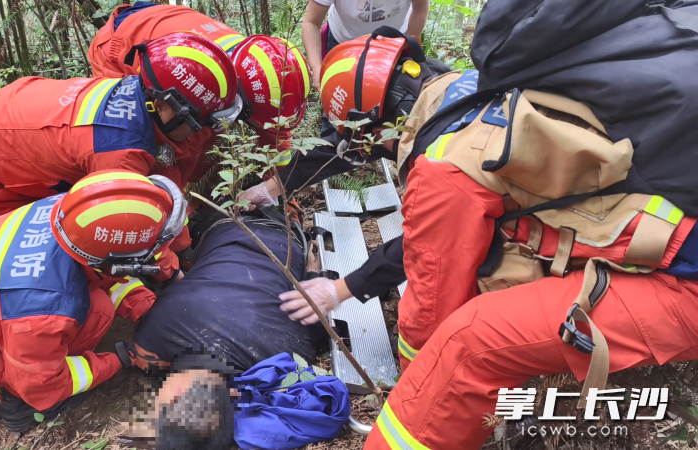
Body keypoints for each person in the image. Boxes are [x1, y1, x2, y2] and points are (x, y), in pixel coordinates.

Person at [297, 19, 698, 450]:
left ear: (374, 128)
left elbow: (430, 305)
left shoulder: (444, 163)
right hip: (668, 234)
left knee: (469, 343)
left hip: (680, 281)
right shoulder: (484, 94)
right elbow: (428, 241)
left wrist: (416, 380)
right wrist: (345, 288)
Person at [0, 170, 186, 432]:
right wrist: (120, 359)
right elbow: (42, 382)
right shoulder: (42, 312)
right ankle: (15, 404)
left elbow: (102, 272)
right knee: (96, 314)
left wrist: (145, 309)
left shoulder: (71, 212)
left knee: (90, 302)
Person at [0, 32, 240, 239]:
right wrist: (170, 270)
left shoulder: (141, 99)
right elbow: (123, 227)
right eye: (197, 123)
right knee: (22, 247)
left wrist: (182, 236)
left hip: (14, 117)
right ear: (164, 105)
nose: (199, 133)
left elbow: (169, 171)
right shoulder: (120, 152)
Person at [116, 203, 331, 448]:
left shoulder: (288, 357)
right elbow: (145, 357)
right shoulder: (155, 332)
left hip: (279, 235)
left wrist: (313, 272)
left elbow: (318, 313)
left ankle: (287, 206)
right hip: (222, 225)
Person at [276, 28, 449, 324]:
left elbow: (427, 242)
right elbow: (349, 151)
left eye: (370, 137)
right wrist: (275, 184)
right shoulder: (436, 90)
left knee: (425, 311)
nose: (371, 149)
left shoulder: (440, 158)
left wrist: (340, 289)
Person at [88, 2, 311, 171]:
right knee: (140, 136)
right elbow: (186, 147)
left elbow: (275, 131)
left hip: (164, 19)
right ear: (238, 103)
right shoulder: (197, 84)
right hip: (121, 44)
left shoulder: (255, 62)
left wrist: (279, 191)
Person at [302, 0, 430, 92]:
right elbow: (311, 22)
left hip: (392, 45)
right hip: (344, 45)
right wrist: (317, 68)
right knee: (338, 97)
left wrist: (409, 47)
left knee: (388, 98)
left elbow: (420, 8)